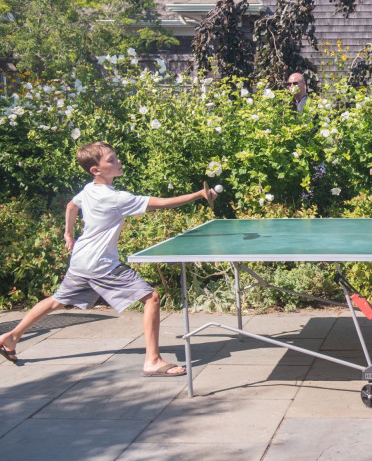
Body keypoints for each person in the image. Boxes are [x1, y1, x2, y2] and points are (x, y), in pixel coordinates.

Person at [0, 141, 217, 376]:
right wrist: (199, 194)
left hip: (81, 260)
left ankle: (11, 337)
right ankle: (152, 361)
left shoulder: (88, 189)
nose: (118, 162)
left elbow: (72, 206)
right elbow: (162, 203)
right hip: (100, 264)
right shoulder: (116, 198)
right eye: (111, 160)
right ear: (96, 170)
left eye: (116, 158)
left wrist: (69, 233)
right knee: (151, 298)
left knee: (56, 301)